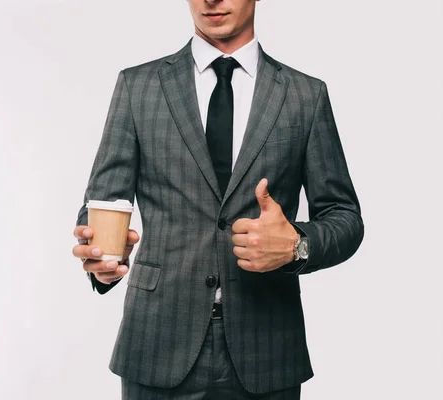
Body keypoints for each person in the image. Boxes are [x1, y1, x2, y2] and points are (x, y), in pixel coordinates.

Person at [72, 0, 364, 398]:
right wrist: (103, 258)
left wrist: (297, 244)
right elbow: (102, 203)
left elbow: (344, 217)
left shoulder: (304, 96)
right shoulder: (138, 86)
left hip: (268, 349)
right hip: (156, 343)